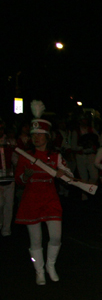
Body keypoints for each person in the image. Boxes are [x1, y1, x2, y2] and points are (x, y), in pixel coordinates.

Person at [14, 102, 72, 284]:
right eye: (34, 135)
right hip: (31, 200)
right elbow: (19, 181)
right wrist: (26, 175)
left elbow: (70, 176)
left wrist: (64, 174)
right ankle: (39, 270)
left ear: (47, 136)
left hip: (50, 199)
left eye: (40, 135)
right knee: (36, 240)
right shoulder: (25, 156)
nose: (37, 138)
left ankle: (50, 265)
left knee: (55, 236)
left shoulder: (55, 156)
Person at [0, 119, 17, 237]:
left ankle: (6, 229)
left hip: (9, 178)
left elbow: (15, 160)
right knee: (0, 204)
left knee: (9, 205)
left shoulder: (9, 143)